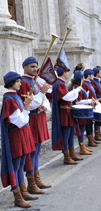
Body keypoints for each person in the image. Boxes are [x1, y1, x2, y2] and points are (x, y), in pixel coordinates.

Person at [1, 72, 36, 208]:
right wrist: (27, 106)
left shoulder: (15, 97)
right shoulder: (9, 99)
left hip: (22, 134)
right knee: (15, 166)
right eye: (18, 82)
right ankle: (18, 196)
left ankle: (24, 191)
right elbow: (20, 121)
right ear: (11, 83)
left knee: (21, 164)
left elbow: (23, 119)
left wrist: (26, 104)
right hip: (16, 135)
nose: (20, 84)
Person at [17, 57, 52, 195]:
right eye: (32, 66)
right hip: (31, 120)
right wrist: (38, 103)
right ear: (25, 67)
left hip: (39, 118)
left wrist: (44, 106)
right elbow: (28, 103)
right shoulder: (24, 82)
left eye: (36, 66)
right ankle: (31, 182)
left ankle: (36, 179)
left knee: (37, 151)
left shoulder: (34, 81)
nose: (35, 69)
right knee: (31, 152)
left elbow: (44, 99)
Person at [51, 66, 84, 165]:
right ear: (64, 73)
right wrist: (77, 90)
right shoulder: (59, 84)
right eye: (67, 72)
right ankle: (67, 156)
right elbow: (66, 97)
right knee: (66, 135)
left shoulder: (61, 83)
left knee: (70, 133)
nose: (68, 74)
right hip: (64, 112)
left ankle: (72, 154)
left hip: (68, 112)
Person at [72, 70, 97, 155]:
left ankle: (83, 147)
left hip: (82, 110)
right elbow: (78, 101)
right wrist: (89, 101)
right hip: (79, 111)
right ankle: (81, 148)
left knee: (82, 129)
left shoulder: (78, 86)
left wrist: (90, 100)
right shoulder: (76, 87)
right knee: (81, 129)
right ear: (81, 78)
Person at [82, 69, 101, 146]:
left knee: (91, 123)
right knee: (89, 124)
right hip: (88, 106)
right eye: (92, 75)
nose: (93, 76)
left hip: (92, 106)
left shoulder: (89, 83)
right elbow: (84, 97)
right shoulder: (84, 84)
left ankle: (92, 139)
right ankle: (90, 141)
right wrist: (89, 102)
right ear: (88, 75)